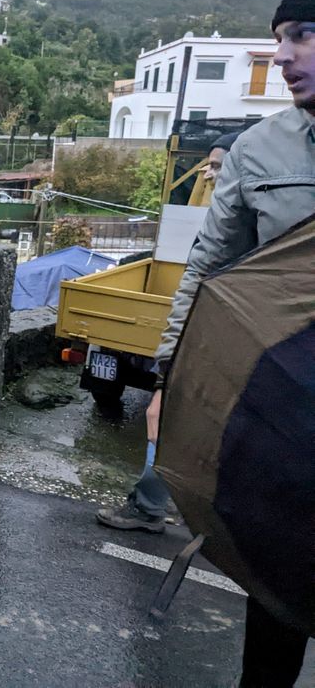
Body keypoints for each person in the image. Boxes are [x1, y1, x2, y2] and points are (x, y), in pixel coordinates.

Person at [132, 0, 314, 687]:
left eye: (301, 35)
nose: (285, 57)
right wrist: (168, 375)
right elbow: (211, 268)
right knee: (274, 599)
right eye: (277, 41)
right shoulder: (259, 150)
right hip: (289, 412)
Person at [95, 129, 240, 535]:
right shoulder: (227, 219)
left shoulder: (241, 224)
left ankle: (156, 508)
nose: (208, 177)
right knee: (170, 418)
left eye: (218, 167)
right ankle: (155, 505)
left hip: (221, 344)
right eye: (208, 166)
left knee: (175, 421)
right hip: (208, 342)